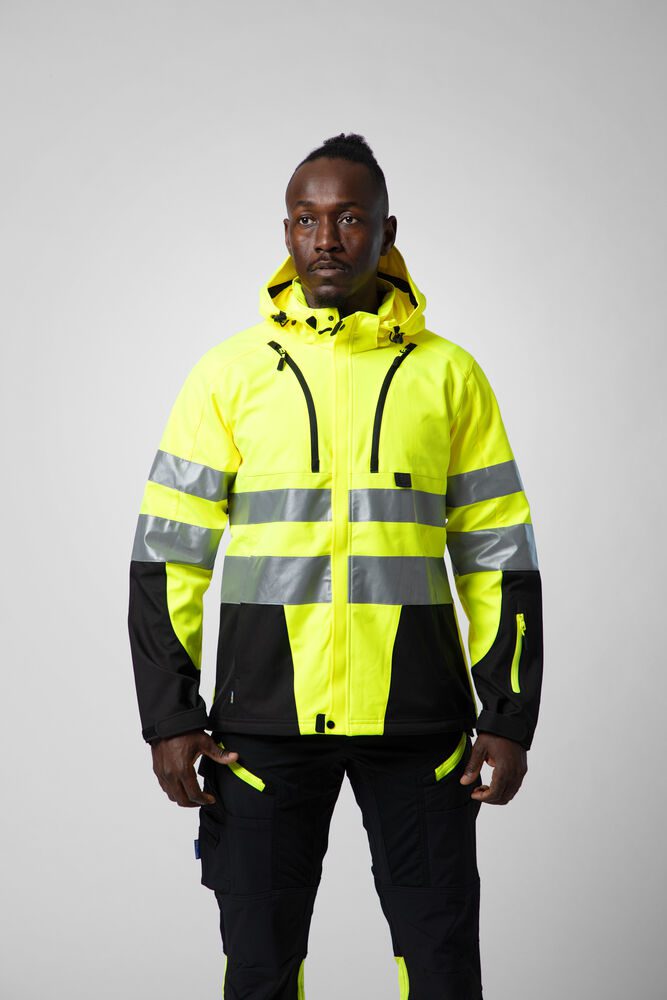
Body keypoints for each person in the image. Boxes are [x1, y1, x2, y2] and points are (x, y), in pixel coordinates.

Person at [128, 132, 543, 999]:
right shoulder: (228, 374)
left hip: (420, 724)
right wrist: (169, 715)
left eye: (349, 219)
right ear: (285, 231)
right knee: (260, 967)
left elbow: (497, 555)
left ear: (386, 231)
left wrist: (507, 714)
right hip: (261, 728)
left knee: (440, 966)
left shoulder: (450, 375)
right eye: (305, 219)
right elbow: (169, 554)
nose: (325, 239)